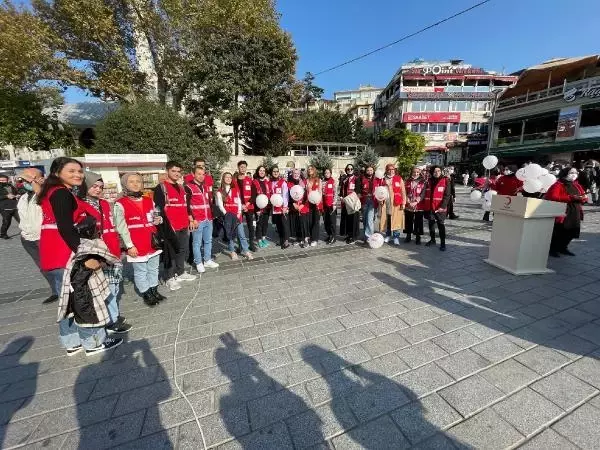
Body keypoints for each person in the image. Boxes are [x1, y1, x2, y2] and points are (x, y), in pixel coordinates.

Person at [37, 157, 122, 355]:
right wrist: (85, 256)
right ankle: (93, 342)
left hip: (56, 253)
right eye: (72, 171)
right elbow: (66, 227)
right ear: (57, 172)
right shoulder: (61, 194)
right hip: (67, 254)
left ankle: (71, 341)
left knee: (67, 299)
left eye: (80, 171)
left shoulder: (54, 191)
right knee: (83, 298)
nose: (78, 175)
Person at [80, 172, 132, 333]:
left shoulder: (103, 203)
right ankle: (111, 321)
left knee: (114, 286)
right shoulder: (81, 205)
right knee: (106, 289)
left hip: (113, 251)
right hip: (99, 253)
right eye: (94, 186)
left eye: (100, 187)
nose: (98, 190)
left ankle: (112, 315)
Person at [115, 173, 164, 306]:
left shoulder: (148, 200)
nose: (136, 184)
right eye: (131, 181)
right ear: (125, 184)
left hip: (152, 241)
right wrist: (129, 246)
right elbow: (121, 228)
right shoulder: (120, 204)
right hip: (136, 243)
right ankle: (146, 293)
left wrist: (159, 220)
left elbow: (155, 216)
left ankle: (154, 289)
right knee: (141, 271)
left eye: (138, 181)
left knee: (153, 268)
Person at [153, 161, 196, 291]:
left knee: (182, 250)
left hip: (183, 225)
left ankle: (181, 272)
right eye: (173, 171)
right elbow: (158, 209)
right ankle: (169, 278)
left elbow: (186, 206)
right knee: (170, 253)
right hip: (170, 227)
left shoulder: (182, 187)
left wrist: (190, 219)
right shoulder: (161, 188)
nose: (176, 173)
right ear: (167, 171)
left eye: (178, 171)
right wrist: (163, 228)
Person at [17, 168, 58, 303]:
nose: (25, 182)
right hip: (27, 238)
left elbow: (43, 198)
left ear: (41, 179)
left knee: (54, 266)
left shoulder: (46, 194)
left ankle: (64, 289)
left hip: (43, 237)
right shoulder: (23, 197)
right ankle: (55, 291)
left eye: (29, 179)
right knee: (43, 267)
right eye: (23, 180)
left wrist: (37, 184)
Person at [544, 167, 587, 258]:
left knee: (572, 231)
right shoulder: (558, 184)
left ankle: (563, 247)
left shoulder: (576, 185)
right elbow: (552, 197)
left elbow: (583, 195)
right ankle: (552, 249)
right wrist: (570, 197)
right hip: (563, 211)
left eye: (576, 172)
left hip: (575, 211)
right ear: (565, 173)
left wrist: (583, 198)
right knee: (559, 231)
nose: (574, 174)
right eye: (571, 172)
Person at [185, 166, 219, 273]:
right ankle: (198, 262)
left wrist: (212, 216)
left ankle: (207, 260)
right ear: (193, 174)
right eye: (198, 174)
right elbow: (187, 205)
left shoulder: (205, 187)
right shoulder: (188, 187)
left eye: (203, 174)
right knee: (197, 243)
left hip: (208, 218)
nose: (201, 176)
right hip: (197, 220)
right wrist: (191, 219)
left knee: (208, 240)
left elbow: (209, 202)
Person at [216, 172, 253, 260]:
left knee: (241, 234)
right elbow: (220, 206)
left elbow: (239, 201)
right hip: (228, 215)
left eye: (230, 177)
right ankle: (232, 251)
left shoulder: (235, 189)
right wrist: (227, 215)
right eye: (226, 177)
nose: (228, 179)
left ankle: (246, 251)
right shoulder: (220, 191)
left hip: (237, 215)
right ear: (223, 179)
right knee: (230, 235)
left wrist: (239, 212)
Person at [423, 165, 451, 251]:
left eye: (438, 171)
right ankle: (432, 240)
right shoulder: (429, 181)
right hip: (430, 207)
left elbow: (447, 195)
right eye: (435, 171)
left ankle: (443, 243)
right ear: (432, 172)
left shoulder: (445, 180)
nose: (437, 173)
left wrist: (442, 207)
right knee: (431, 224)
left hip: (440, 208)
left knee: (440, 225)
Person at [378, 164, 406, 245]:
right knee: (388, 220)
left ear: (395, 170)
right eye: (389, 169)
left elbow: (403, 191)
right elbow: (379, 191)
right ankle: (388, 235)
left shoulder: (399, 178)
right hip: (386, 202)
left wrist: (403, 203)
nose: (391, 171)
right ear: (386, 170)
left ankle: (396, 237)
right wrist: (380, 200)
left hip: (396, 202)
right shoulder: (383, 179)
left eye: (392, 169)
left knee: (396, 220)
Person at [235, 161, 257, 252]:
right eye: (241, 167)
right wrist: (241, 205)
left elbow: (254, 194)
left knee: (250, 226)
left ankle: (251, 244)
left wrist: (247, 204)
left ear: (246, 168)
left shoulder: (250, 180)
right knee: (238, 226)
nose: (243, 169)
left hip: (249, 207)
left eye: (244, 167)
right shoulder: (234, 180)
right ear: (238, 168)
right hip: (238, 207)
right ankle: (240, 246)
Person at [404, 166, 426, 245]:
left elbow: (423, 193)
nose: (415, 173)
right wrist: (408, 201)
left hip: (419, 205)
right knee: (408, 221)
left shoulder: (423, 182)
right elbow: (404, 192)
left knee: (418, 222)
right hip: (409, 204)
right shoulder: (407, 181)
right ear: (411, 172)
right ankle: (408, 235)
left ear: (419, 173)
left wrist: (416, 201)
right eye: (414, 172)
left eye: (417, 172)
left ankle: (418, 237)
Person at [269, 166, 290, 249]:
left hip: (282, 208)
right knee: (278, 225)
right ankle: (281, 239)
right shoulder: (270, 182)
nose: (275, 173)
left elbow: (286, 195)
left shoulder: (283, 183)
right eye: (274, 171)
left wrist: (285, 206)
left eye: (277, 171)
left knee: (284, 225)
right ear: (272, 173)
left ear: (279, 172)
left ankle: (286, 241)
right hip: (275, 207)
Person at [339, 164, 359, 244]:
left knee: (353, 220)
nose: (349, 170)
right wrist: (340, 196)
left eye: (351, 169)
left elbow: (358, 191)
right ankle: (348, 234)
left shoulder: (356, 179)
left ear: (353, 170)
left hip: (352, 202)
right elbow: (341, 189)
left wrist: (350, 198)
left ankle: (353, 237)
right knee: (347, 219)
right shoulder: (344, 179)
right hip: (345, 202)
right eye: (348, 169)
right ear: (346, 170)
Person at [252, 165, 271, 248]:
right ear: (257, 172)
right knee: (259, 224)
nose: (262, 172)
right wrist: (256, 208)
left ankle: (263, 237)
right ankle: (259, 239)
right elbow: (253, 196)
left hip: (267, 207)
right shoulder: (255, 182)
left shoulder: (267, 182)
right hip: (258, 207)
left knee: (265, 223)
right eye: (260, 170)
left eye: (263, 170)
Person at [287, 168, 306, 245]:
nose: (296, 175)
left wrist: (302, 204)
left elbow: (306, 194)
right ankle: (298, 238)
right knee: (295, 223)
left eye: (297, 173)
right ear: (292, 174)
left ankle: (304, 238)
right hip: (293, 206)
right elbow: (288, 194)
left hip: (302, 205)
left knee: (302, 223)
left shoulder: (303, 182)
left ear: (300, 174)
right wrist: (293, 203)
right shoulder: (289, 182)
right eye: (294, 173)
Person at [306, 165, 322, 246]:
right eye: (308, 169)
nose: (309, 170)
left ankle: (315, 239)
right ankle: (310, 237)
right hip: (308, 204)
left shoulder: (318, 180)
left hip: (316, 203)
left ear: (314, 170)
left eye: (311, 169)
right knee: (310, 221)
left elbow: (320, 192)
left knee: (316, 221)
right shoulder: (307, 180)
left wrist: (319, 202)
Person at [359, 165, 377, 240]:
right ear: (366, 171)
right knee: (365, 219)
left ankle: (369, 238)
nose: (369, 172)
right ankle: (365, 235)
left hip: (373, 201)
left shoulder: (376, 179)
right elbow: (359, 190)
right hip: (364, 201)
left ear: (373, 171)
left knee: (370, 219)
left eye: (371, 170)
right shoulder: (362, 178)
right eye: (368, 170)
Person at [0, 173, 20, 239]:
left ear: (7, 180)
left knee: (21, 220)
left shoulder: (10, 186)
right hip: (4, 207)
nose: (2, 182)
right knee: (6, 222)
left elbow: (16, 192)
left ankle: (27, 231)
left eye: (4, 180)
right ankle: (3, 234)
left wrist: (17, 195)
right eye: (1, 180)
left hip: (15, 205)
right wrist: (6, 196)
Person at [322, 168, 337, 244]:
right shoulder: (322, 182)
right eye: (325, 173)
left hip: (331, 205)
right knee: (326, 221)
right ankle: (329, 235)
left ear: (330, 174)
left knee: (332, 222)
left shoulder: (333, 182)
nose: (326, 174)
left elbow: (335, 193)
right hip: (324, 205)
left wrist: (334, 204)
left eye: (328, 173)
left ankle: (333, 236)